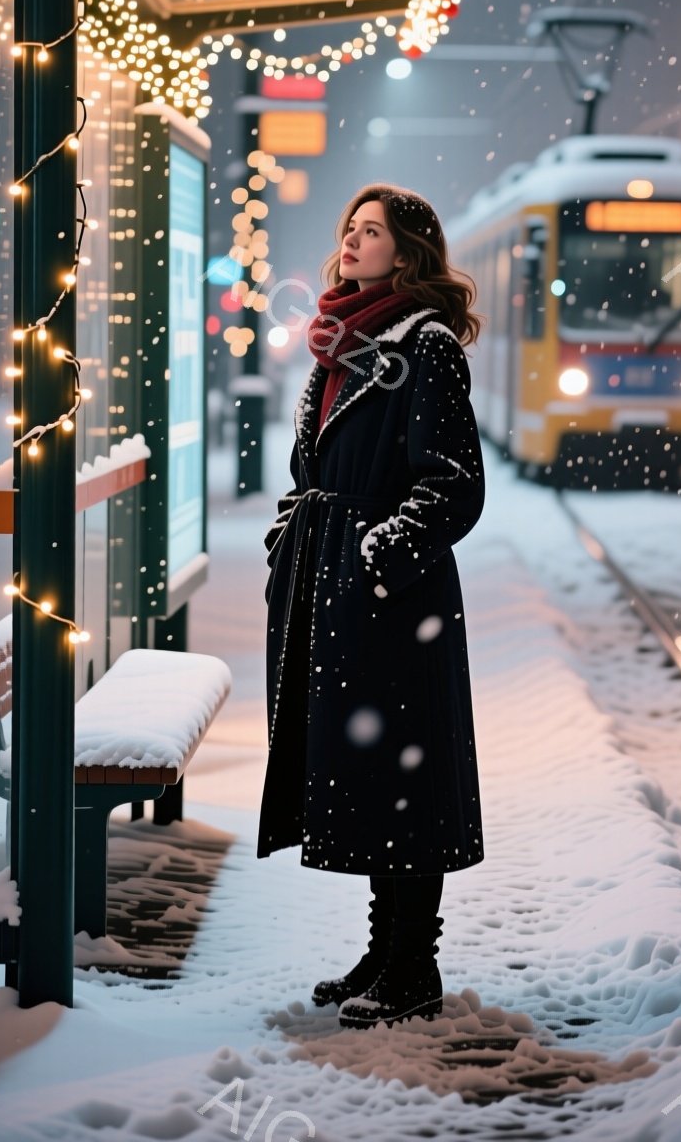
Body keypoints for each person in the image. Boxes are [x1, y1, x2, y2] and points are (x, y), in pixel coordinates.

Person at [257, 183, 487, 1030]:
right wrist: (298, 524)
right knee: (368, 776)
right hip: (334, 589)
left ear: (408, 252)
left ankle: (413, 965)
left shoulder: (425, 346)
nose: (352, 242)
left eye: (373, 232)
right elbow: (316, 465)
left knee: (404, 782)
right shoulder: (341, 340)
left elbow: (455, 484)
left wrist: (378, 553)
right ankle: (383, 950)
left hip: (392, 601)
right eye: (350, 229)